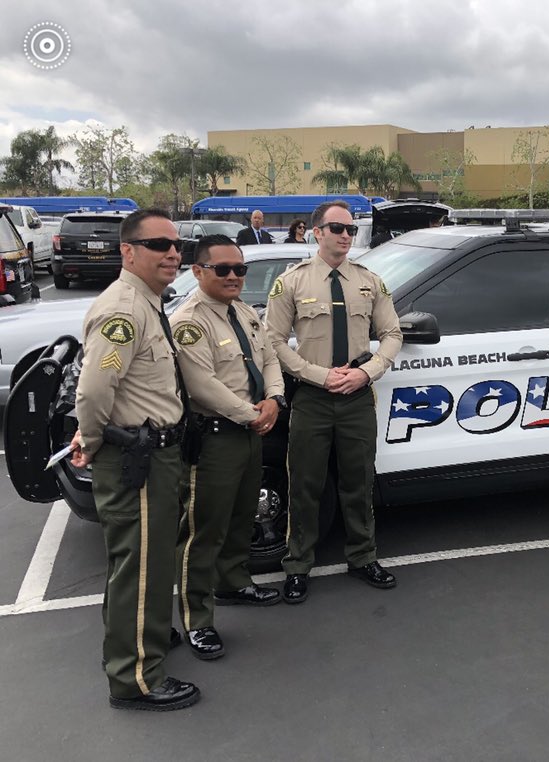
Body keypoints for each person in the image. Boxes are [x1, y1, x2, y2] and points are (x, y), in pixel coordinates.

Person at [69, 208, 200, 711]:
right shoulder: (124, 311)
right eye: (158, 245)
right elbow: (95, 388)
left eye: (176, 245)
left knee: (143, 560)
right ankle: (135, 679)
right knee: (141, 567)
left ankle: (138, 637)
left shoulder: (148, 302)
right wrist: (95, 440)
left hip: (155, 454)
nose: (172, 253)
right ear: (128, 251)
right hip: (135, 460)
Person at [264, 200, 404, 603]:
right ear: (316, 232)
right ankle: (297, 566)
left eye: (350, 229)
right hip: (312, 396)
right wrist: (317, 375)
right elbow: (272, 340)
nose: (346, 235)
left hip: (358, 396)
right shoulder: (291, 282)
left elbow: (392, 333)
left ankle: (363, 557)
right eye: (337, 228)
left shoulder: (369, 281)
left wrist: (369, 370)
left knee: (358, 481)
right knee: (304, 484)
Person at [170, 235, 287, 660]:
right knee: (204, 530)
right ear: (198, 272)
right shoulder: (190, 321)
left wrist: (274, 398)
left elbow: (270, 356)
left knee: (242, 516)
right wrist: (251, 413)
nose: (234, 276)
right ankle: (197, 620)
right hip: (217, 437)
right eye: (223, 270)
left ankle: (234, 582)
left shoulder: (244, 312)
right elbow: (201, 384)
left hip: (250, 432)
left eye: (240, 269)